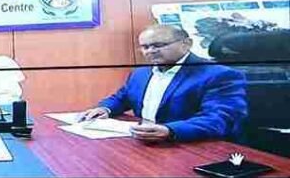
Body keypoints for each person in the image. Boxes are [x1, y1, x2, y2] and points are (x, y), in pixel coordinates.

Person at [78, 24, 248, 143]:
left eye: (158, 45)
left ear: (187, 44)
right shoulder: (141, 73)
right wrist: (105, 108)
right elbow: (122, 97)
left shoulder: (219, 74)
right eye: (145, 47)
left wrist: (170, 131)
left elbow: (219, 119)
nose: (151, 51)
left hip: (191, 145)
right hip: (145, 142)